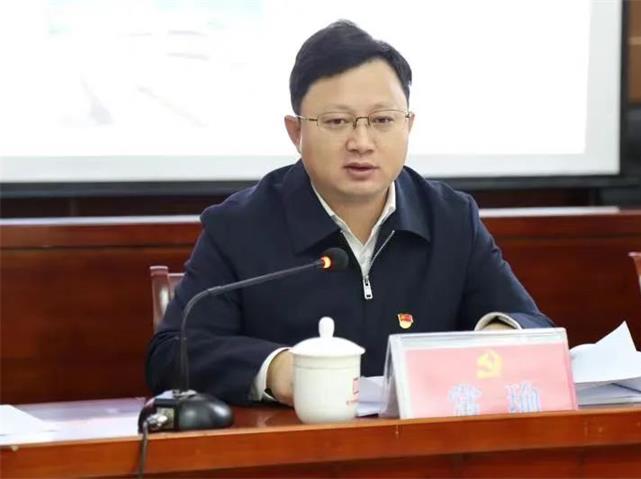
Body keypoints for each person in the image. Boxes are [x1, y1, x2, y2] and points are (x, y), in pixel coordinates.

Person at [146, 20, 553, 407]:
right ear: (296, 132)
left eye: (382, 120)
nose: (361, 141)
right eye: (337, 121)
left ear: (408, 125)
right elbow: (171, 355)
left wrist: (504, 336)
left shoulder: (451, 219)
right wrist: (278, 370)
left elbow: (535, 326)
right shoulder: (240, 227)